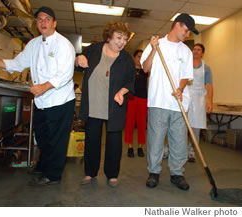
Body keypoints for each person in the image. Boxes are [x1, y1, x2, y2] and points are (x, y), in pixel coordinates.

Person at [0, 6, 76, 186]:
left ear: (54, 23)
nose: (43, 22)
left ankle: (53, 175)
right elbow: (16, 64)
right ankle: (42, 166)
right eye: (39, 19)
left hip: (60, 100)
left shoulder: (64, 45)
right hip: (41, 100)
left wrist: (44, 87)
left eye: (47, 19)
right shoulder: (33, 44)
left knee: (56, 140)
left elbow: (65, 74)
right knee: (42, 136)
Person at [140, 13, 198, 191]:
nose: (187, 35)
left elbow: (186, 77)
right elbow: (145, 67)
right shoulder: (157, 44)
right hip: (158, 101)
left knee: (179, 140)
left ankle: (177, 173)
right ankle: (154, 172)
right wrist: (153, 49)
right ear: (178, 25)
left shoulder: (186, 51)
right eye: (186, 30)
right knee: (156, 140)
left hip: (179, 103)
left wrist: (180, 89)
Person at [75, 20, 135, 187]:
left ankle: (112, 175)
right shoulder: (94, 49)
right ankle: (90, 173)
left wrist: (122, 92)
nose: (121, 42)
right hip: (93, 104)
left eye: (125, 39)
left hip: (114, 107)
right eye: (118, 37)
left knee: (114, 143)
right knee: (92, 141)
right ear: (109, 36)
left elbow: (130, 81)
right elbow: (78, 62)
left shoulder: (126, 59)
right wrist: (78, 58)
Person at [187, 43, 213, 162]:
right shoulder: (186, 65)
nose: (196, 51)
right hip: (186, 98)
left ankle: (192, 152)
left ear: (202, 53)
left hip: (199, 100)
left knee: (196, 128)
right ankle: (171, 150)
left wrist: (210, 102)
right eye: (194, 49)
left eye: (199, 50)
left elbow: (209, 85)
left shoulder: (206, 68)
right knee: (180, 127)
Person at [124, 49, 148, 158]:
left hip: (143, 99)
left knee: (142, 124)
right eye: (138, 56)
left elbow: (148, 86)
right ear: (134, 58)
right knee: (129, 123)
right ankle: (130, 147)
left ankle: (140, 147)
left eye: (142, 57)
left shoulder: (146, 71)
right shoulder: (129, 70)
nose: (140, 59)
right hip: (131, 98)